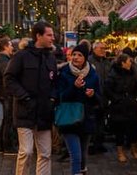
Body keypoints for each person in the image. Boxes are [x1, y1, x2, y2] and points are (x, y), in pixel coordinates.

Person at [4, 21, 57, 175]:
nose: (53, 38)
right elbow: (9, 79)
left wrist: (52, 98)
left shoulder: (51, 58)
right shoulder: (22, 56)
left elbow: (55, 82)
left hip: (44, 112)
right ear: (38, 36)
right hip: (25, 111)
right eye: (49, 35)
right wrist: (24, 97)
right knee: (26, 151)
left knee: (45, 153)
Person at [55, 43, 101, 175]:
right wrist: (74, 87)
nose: (75, 57)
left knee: (83, 155)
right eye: (74, 54)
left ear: (85, 58)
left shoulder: (92, 74)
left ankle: (82, 171)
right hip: (69, 118)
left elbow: (99, 98)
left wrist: (93, 95)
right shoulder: (64, 73)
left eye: (79, 55)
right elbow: (61, 96)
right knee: (76, 155)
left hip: (86, 118)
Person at [104, 53, 137, 163]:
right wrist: (117, 99)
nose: (131, 62)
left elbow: (136, 86)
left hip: (131, 104)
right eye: (129, 61)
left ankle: (134, 150)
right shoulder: (113, 74)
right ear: (123, 63)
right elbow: (107, 89)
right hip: (119, 106)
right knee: (119, 129)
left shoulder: (132, 73)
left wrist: (135, 97)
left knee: (134, 127)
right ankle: (120, 152)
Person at [0, 38, 16, 154]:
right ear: (6, 46)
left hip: (5, 93)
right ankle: (7, 146)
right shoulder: (3, 60)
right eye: (11, 45)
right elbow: (7, 75)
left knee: (6, 119)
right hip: (6, 93)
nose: (12, 47)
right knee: (8, 120)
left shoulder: (5, 59)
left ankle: (2, 145)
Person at [88, 41, 110, 154]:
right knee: (93, 120)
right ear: (94, 49)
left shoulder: (106, 62)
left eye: (104, 48)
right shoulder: (89, 61)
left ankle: (99, 143)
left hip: (104, 96)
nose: (103, 50)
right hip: (93, 96)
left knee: (101, 120)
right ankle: (91, 144)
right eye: (101, 48)